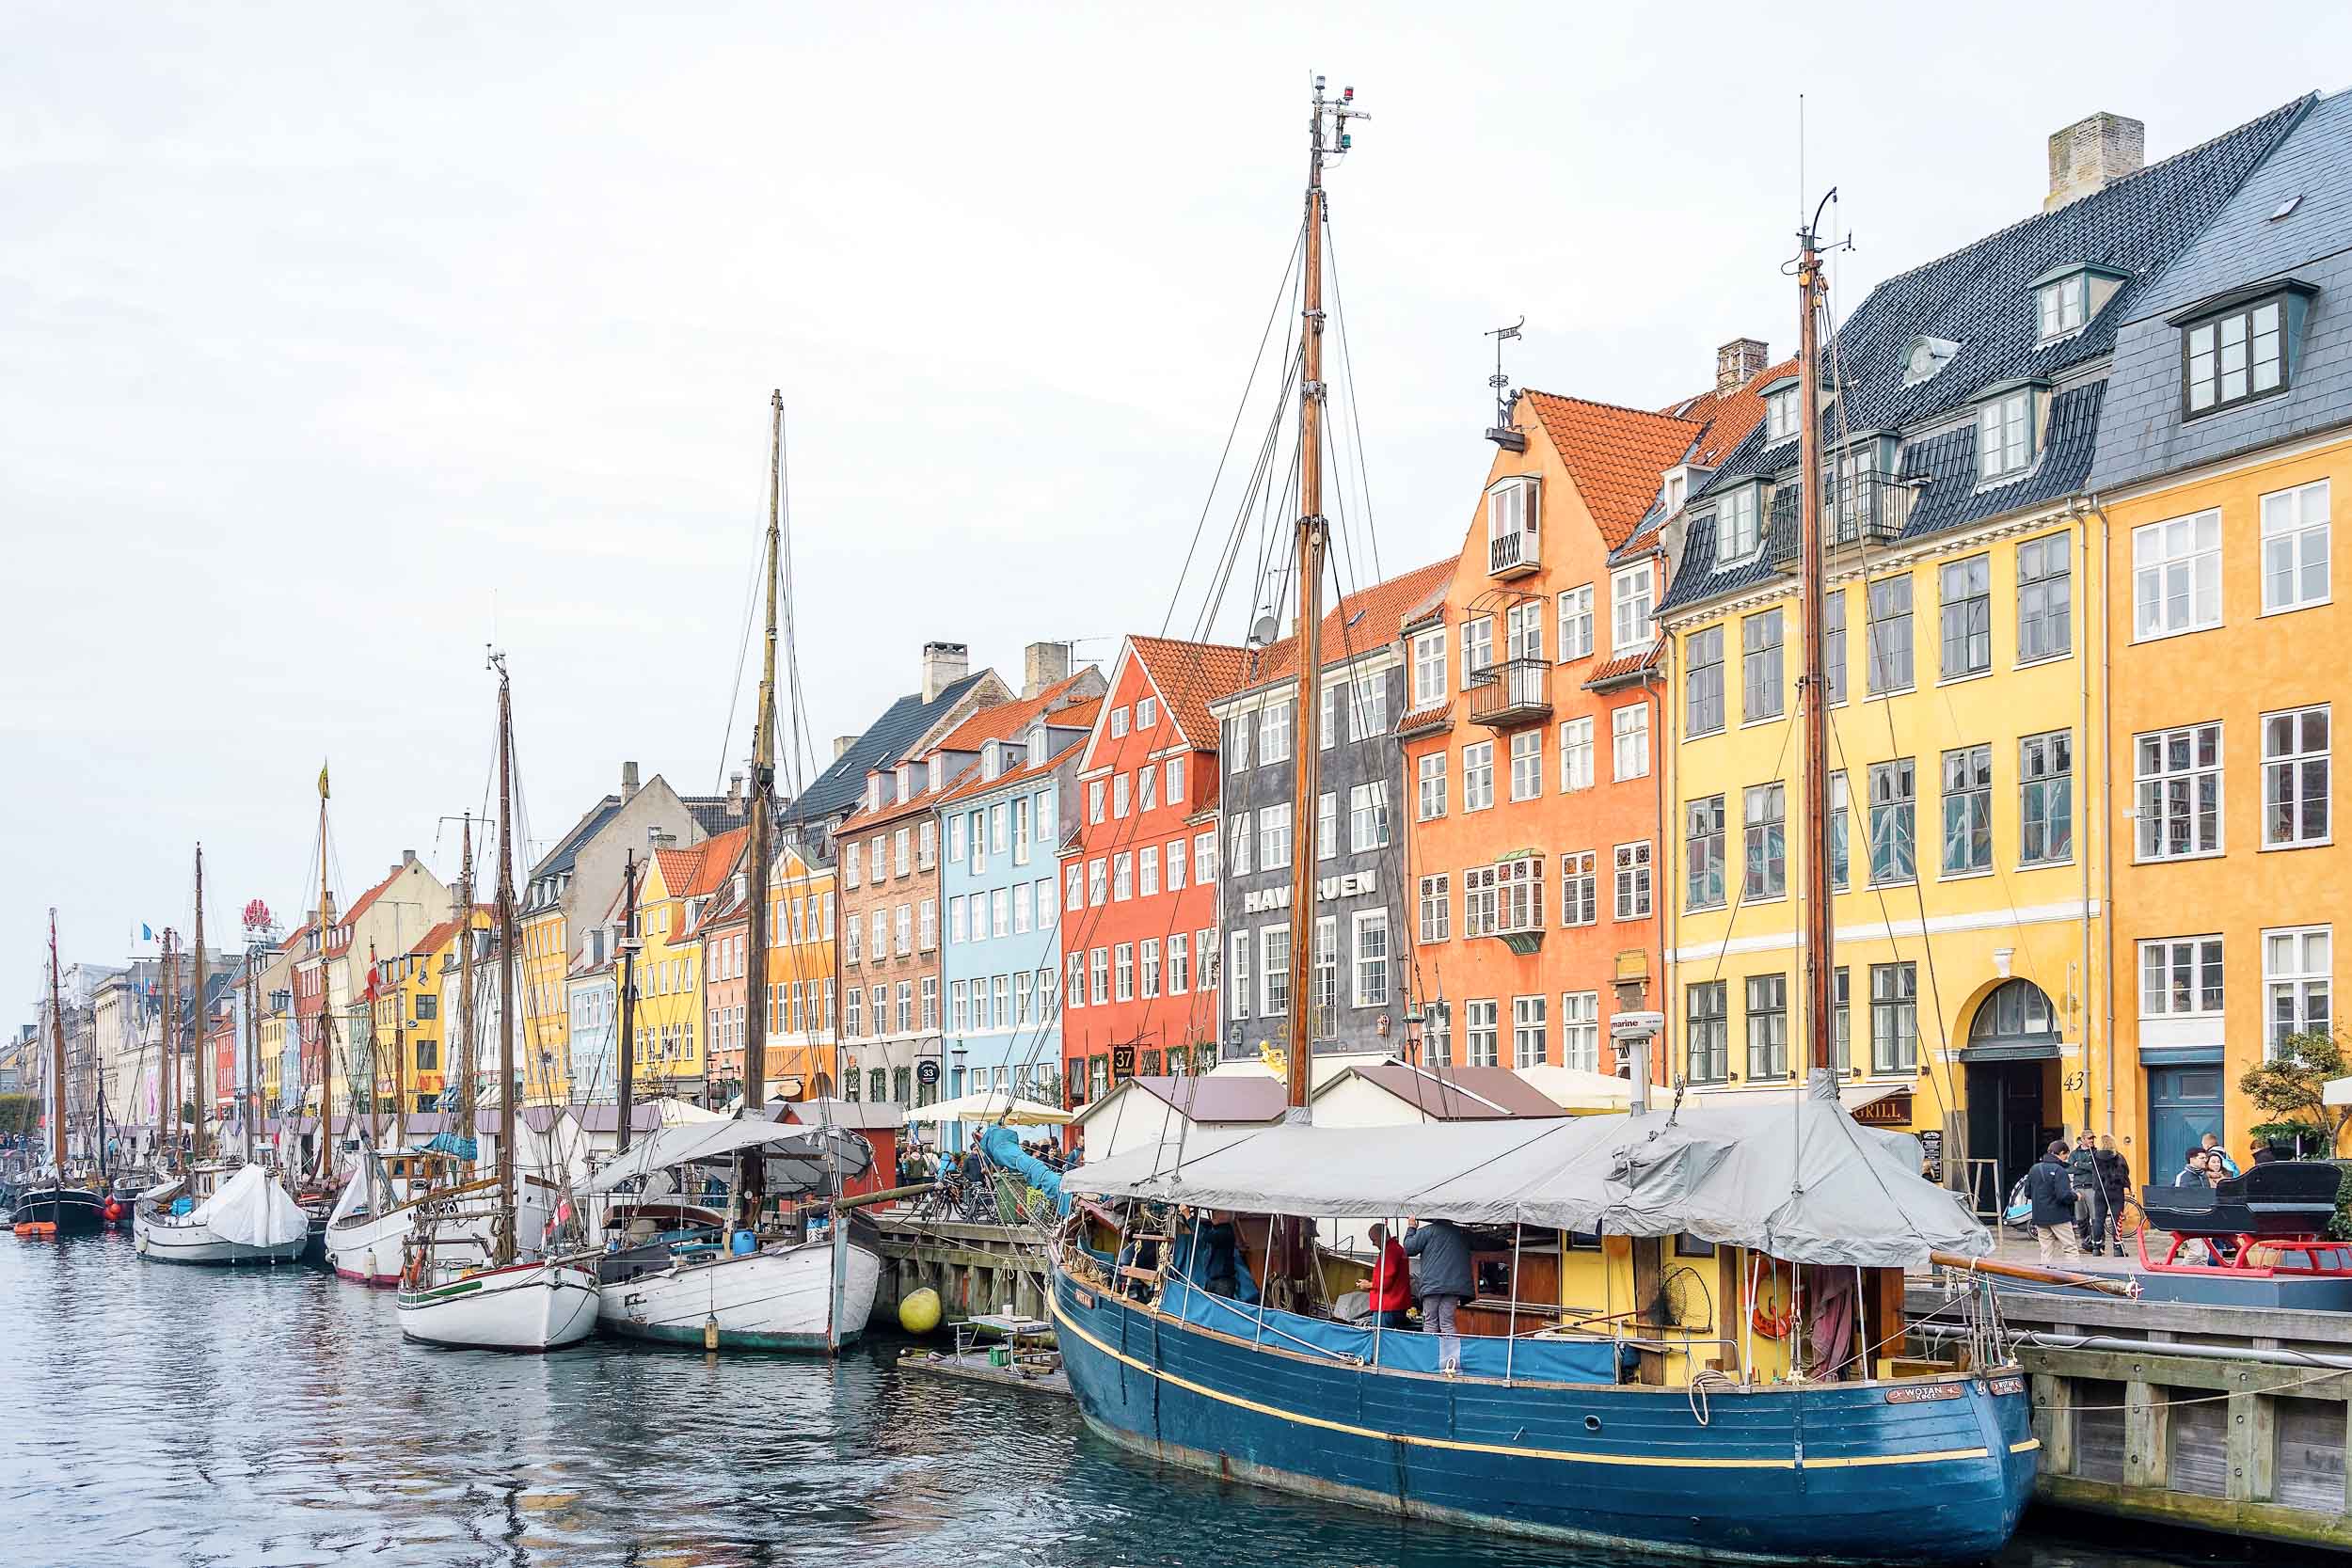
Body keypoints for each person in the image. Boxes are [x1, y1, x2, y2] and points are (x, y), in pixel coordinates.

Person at [1401, 1215, 1473, 1334]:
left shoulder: (1426, 1231)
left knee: (1430, 1322)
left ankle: (1430, 1351)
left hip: (1432, 1285)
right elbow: (1484, 1242)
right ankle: (1450, 1352)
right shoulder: (1462, 1233)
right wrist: (1506, 1243)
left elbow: (1409, 1249)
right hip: (1454, 1287)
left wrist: (1411, 1228)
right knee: (1447, 1322)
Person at [2026, 1140, 2081, 1265]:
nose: (2066, 1159)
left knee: (2046, 1250)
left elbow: (2028, 1193)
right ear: (2061, 1153)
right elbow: (2064, 1195)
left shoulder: (2034, 1169)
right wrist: (2075, 1196)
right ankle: (2077, 1278)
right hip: (2059, 1217)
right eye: (2066, 1156)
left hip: (2039, 1216)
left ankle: (2045, 1278)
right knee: (2070, 1248)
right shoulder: (2059, 1170)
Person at [1365, 1222, 1411, 1329]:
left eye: (1374, 1240)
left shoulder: (1390, 1252)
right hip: (1396, 1304)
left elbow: (1385, 1281)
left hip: (1388, 1305)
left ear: (1382, 1237)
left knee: (1381, 1338)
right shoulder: (1396, 1249)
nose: (1373, 1244)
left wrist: (1369, 1285)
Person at [2091, 1134, 2131, 1258]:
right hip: (2116, 1192)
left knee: (2098, 1220)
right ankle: (2118, 1247)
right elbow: (2126, 1172)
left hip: (2100, 1192)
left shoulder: (2094, 1157)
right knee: (2117, 1220)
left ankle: (2096, 1247)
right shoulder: (2119, 1157)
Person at [2066, 1132, 2100, 1250]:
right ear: (2083, 1139)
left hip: (2092, 1186)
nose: (2092, 1140)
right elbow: (2069, 1169)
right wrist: (2086, 1167)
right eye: (2090, 1138)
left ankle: (2098, 1242)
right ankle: (2085, 1242)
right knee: (2081, 1217)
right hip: (2078, 1187)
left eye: (2093, 1138)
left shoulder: (2096, 1152)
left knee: (2096, 1216)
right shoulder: (2074, 1153)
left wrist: (2079, 1164)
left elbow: (2095, 1168)